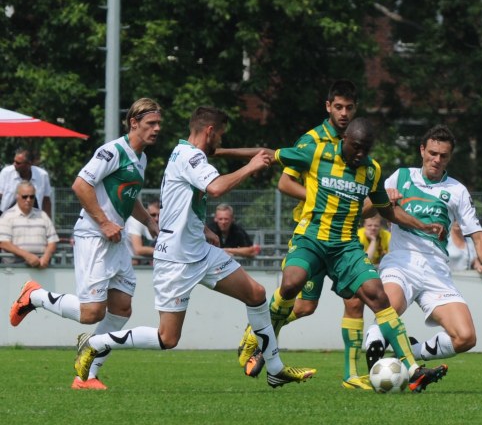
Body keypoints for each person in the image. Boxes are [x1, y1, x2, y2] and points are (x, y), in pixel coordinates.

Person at [68, 106, 315, 388]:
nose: (221, 141)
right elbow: (216, 188)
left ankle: (275, 368)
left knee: (256, 294)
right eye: (220, 135)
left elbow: (184, 199)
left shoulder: (185, 152)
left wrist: (204, 228)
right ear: (210, 131)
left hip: (198, 250)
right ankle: (95, 343)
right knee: (167, 339)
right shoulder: (189, 156)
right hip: (176, 259)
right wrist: (251, 166)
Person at [250, 117, 450, 392]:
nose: (360, 154)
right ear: (344, 140)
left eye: (365, 149)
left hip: (345, 246)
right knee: (291, 286)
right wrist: (221, 152)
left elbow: (385, 209)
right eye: (356, 147)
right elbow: (268, 157)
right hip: (312, 238)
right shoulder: (318, 152)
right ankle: (257, 335)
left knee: (376, 296)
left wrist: (423, 224)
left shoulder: (372, 170)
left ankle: (413, 369)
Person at [230, 80, 377, 390]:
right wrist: (322, 200)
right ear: (328, 106)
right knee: (299, 296)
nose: (344, 113)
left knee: (340, 302)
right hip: (312, 235)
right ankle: (259, 334)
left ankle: (351, 375)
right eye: (338, 107)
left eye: (349, 108)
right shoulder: (312, 141)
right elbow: (285, 183)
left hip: (343, 238)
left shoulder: (359, 147)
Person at [9, 98, 162, 390]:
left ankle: (86, 375)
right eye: (150, 123)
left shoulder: (140, 158)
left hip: (114, 240)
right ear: (133, 123)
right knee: (92, 313)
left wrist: (150, 223)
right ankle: (34, 296)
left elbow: (126, 197)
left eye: (158, 124)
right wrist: (104, 222)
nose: (157, 129)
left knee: (121, 308)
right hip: (94, 237)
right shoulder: (112, 151)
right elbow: (81, 184)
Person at [361, 125, 482, 370]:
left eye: (443, 156)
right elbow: (363, 211)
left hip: (436, 269)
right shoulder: (401, 176)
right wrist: (383, 200)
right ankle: (374, 345)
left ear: (450, 157)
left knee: (465, 337)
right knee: (390, 308)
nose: (437, 160)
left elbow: (477, 235)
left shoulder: (457, 190)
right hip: (401, 261)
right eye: (432, 153)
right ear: (422, 150)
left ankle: (413, 351)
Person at [0, 181, 59, 267]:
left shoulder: (43, 215)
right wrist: (27, 256)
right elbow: (4, 243)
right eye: (25, 196)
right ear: (17, 196)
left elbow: (52, 241)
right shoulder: (7, 216)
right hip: (15, 268)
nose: (28, 199)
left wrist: (46, 257)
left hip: (41, 267)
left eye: (32, 197)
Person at [0, 148, 52, 217]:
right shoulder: (6, 173)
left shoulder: (42, 175)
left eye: (18, 163)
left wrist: (47, 222)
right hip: (8, 218)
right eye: (14, 161)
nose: (14, 164)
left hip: (34, 218)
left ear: (29, 164)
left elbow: (46, 201)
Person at [125, 199, 161, 263]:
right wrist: (164, 251)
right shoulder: (134, 221)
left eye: (159, 215)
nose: (157, 219)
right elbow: (138, 250)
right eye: (153, 215)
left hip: (147, 265)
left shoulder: (162, 222)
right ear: (146, 213)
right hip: (132, 265)